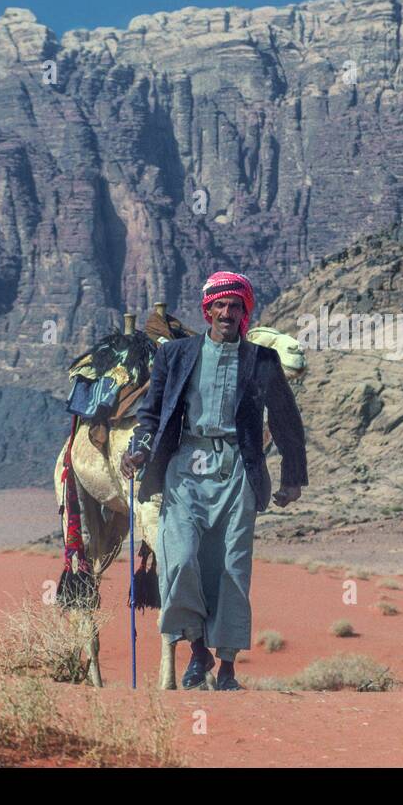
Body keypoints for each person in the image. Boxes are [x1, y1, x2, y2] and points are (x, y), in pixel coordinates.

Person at [120, 272, 307, 690]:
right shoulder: (177, 356)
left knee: (230, 568)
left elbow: (286, 421)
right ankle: (196, 648)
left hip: (238, 468)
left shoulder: (261, 360)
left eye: (235, 307)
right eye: (219, 306)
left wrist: (292, 478)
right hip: (185, 468)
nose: (227, 313)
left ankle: (226, 667)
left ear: (244, 313)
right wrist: (139, 448)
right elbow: (151, 414)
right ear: (207, 311)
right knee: (181, 558)